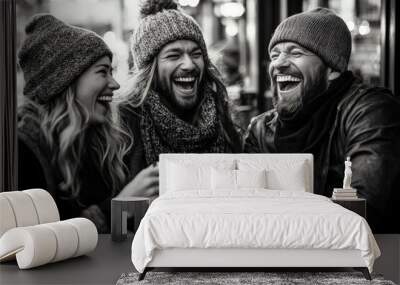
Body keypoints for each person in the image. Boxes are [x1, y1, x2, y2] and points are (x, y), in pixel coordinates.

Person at [243, 8, 400, 233]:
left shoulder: (370, 111)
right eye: (275, 55)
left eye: (295, 53)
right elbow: (247, 215)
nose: (278, 64)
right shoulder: (260, 130)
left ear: (332, 69)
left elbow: (365, 212)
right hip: (279, 256)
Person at [18, 14, 129, 233]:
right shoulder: (23, 150)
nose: (114, 84)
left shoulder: (98, 142)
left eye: (112, 72)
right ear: (65, 82)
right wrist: (122, 204)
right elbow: (36, 240)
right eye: (102, 72)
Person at [118, 0, 242, 198]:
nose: (189, 65)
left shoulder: (220, 116)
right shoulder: (124, 124)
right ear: (151, 69)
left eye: (196, 54)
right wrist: (125, 201)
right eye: (174, 55)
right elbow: (110, 224)